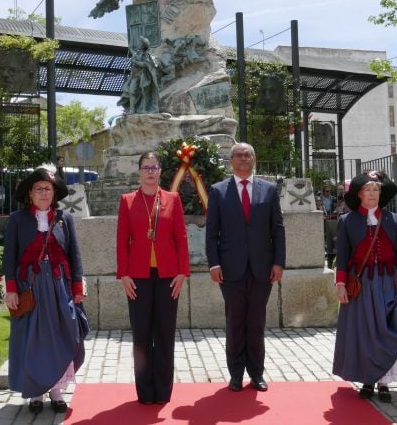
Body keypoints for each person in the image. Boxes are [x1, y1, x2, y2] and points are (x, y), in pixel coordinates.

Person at [3, 165, 87, 415]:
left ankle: (57, 391)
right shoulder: (18, 220)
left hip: (59, 285)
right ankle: (36, 393)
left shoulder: (65, 219)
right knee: (34, 339)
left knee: (63, 335)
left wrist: (77, 286)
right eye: (38, 189)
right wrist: (10, 289)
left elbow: (75, 255)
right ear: (30, 193)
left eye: (47, 189)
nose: (43, 194)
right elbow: (9, 257)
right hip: (30, 286)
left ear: (54, 193)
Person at [205, 142, 286, 393]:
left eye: (247, 154)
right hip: (230, 269)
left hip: (263, 268)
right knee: (235, 322)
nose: (243, 158)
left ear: (254, 159)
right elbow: (211, 233)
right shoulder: (218, 191)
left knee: (256, 323)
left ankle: (257, 374)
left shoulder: (270, 190)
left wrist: (279, 263)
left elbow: (278, 230)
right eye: (238, 155)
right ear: (231, 161)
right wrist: (214, 264)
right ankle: (236, 374)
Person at [333, 171, 397, 403]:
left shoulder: (394, 220)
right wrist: (341, 284)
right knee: (366, 333)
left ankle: (384, 383)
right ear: (359, 194)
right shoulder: (347, 221)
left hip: (389, 283)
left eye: (376, 189)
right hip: (362, 285)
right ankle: (367, 380)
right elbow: (342, 256)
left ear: (381, 193)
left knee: (390, 329)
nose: (372, 194)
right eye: (367, 190)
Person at [116, 151, 189, 405]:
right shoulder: (127, 200)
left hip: (169, 276)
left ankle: (163, 391)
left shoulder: (172, 199)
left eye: (154, 167)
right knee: (142, 335)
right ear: (139, 171)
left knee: (165, 334)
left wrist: (183, 272)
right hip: (138, 277)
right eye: (145, 167)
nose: (150, 171)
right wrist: (123, 274)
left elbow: (180, 237)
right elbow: (121, 241)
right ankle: (145, 393)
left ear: (160, 171)